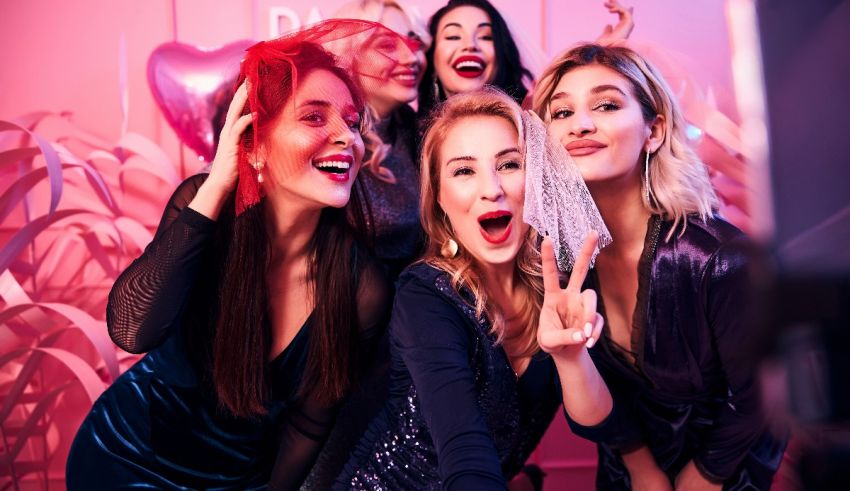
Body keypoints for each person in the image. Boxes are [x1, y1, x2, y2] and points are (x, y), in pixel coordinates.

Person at [65, 21, 395, 490]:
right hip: (125, 458)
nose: (348, 137)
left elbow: (309, 425)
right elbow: (131, 331)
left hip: (237, 483)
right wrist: (221, 181)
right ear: (255, 143)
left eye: (352, 121)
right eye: (315, 117)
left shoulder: (363, 286)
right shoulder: (204, 206)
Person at [532, 43, 787, 490]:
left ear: (655, 130)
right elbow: (606, 394)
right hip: (623, 475)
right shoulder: (564, 258)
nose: (581, 125)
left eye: (606, 105)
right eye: (561, 113)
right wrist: (641, 470)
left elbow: (763, 397)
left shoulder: (719, 258)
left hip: (725, 473)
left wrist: (702, 477)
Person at [335, 87, 613, 490]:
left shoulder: (562, 289)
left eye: (510, 165)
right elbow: (464, 449)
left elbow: (596, 424)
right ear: (440, 201)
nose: (492, 189)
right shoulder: (426, 295)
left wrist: (570, 358)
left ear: (536, 182)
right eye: (464, 171)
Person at [332, 0, 432, 276]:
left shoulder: (417, 131)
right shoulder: (330, 137)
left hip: (410, 305)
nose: (411, 58)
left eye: (413, 43)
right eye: (387, 45)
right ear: (348, 58)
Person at [418, 0, 635, 117]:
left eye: (486, 36)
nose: (470, 45)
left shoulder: (531, 118)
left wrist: (599, 49)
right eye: (453, 36)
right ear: (432, 55)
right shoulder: (406, 135)